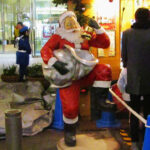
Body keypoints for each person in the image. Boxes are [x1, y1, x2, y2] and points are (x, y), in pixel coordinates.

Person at [41, 11, 115, 147]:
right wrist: (54, 63)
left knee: (104, 69)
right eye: (67, 21)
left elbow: (104, 43)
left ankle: (101, 100)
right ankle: (70, 133)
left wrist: (98, 29)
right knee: (70, 108)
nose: (71, 23)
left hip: (86, 72)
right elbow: (45, 50)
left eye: (72, 20)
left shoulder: (84, 35)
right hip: (70, 77)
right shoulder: (58, 36)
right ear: (62, 24)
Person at [121, 7, 150, 150]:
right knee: (149, 113)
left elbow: (124, 60)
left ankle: (134, 143)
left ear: (135, 17)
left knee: (134, 112)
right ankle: (148, 141)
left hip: (134, 80)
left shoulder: (127, 34)